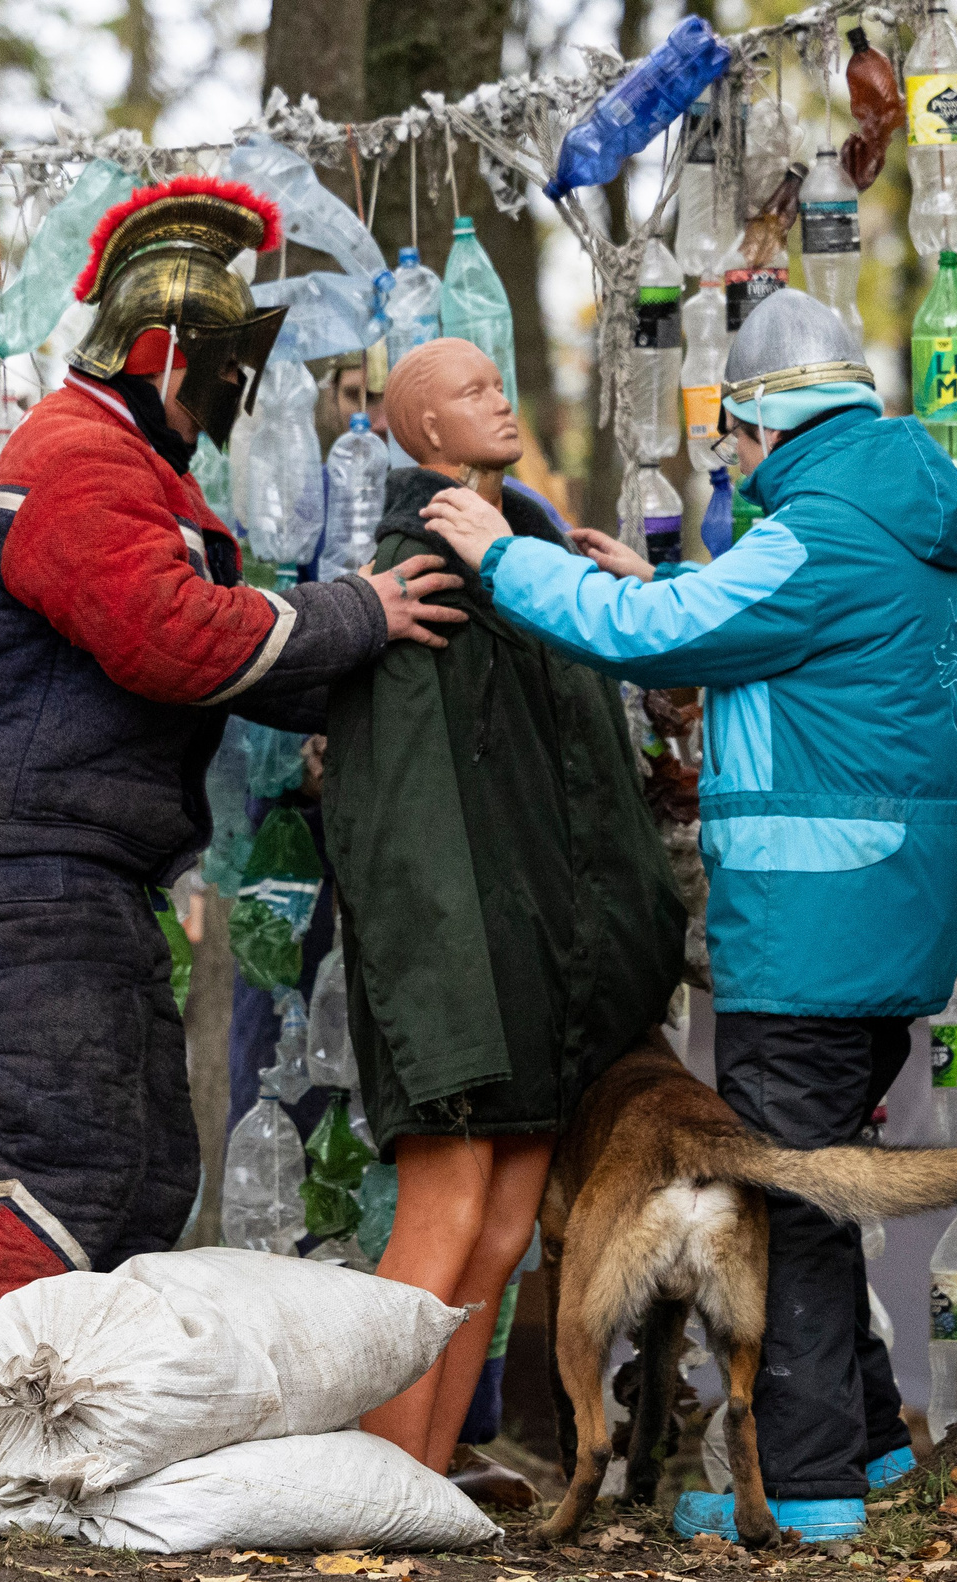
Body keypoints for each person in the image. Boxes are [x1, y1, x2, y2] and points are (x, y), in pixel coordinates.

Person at [0, 177, 469, 1503]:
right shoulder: (78, 460)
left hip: (76, 857)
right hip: (27, 857)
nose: (229, 400)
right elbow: (172, 637)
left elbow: (227, 646)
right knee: (76, 1145)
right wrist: (362, 612)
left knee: (146, 1164)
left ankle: (49, 1424)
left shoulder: (132, 472)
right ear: (167, 355)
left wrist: (360, 681)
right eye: (223, 372)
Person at [420, 288, 957, 1545]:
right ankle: (875, 1452)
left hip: (809, 924)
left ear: (771, 422)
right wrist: (674, 579)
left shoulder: (817, 531)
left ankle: (812, 1487)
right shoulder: (902, 516)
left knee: (789, 1199)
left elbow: (647, 635)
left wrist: (503, 556)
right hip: (888, 912)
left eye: (731, 439)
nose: (730, 461)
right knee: (823, 1178)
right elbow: (785, 648)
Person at [320, 335, 686, 1477]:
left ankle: (421, 1485)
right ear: (424, 428)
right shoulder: (414, 575)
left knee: (506, 1229)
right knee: (444, 1216)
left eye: (499, 380)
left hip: (538, 966)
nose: (501, 400)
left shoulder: (529, 565)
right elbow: (399, 812)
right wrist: (442, 986)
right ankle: (374, 1493)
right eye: (471, 390)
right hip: (460, 967)